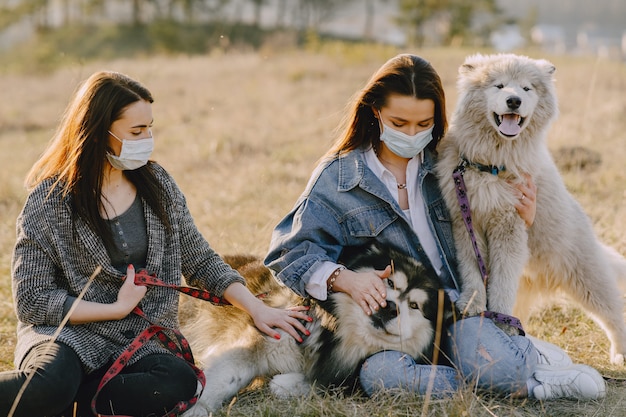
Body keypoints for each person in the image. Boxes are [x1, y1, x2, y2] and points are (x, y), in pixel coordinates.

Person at [264, 54, 606, 400]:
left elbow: (491, 235)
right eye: (399, 123)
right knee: (382, 376)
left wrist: (524, 218)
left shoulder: (451, 160)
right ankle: (521, 375)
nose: (412, 135)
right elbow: (288, 254)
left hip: (458, 309)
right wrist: (345, 279)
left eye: (423, 124)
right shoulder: (338, 179)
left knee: (498, 367)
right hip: (396, 323)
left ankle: (520, 368)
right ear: (375, 112)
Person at [0, 71, 310, 417]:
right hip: (70, 336)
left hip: (140, 340)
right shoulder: (49, 202)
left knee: (180, 382)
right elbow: (32, 300)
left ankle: (65, 403)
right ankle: (59, 395)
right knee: (49, 384)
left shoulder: (159, 185)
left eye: (150, 127)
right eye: (137, 131)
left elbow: (201, 262)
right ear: (99, 131)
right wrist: (113, 308)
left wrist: (258, 309)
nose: (148, 138)